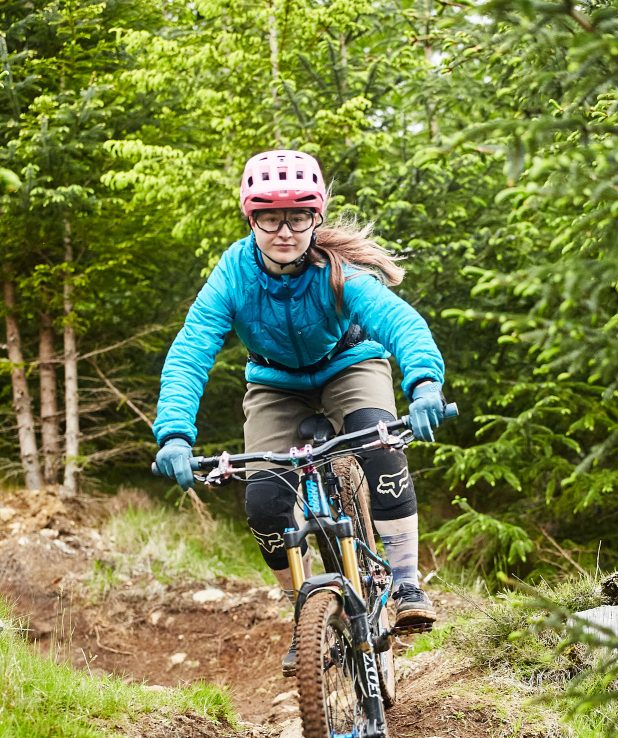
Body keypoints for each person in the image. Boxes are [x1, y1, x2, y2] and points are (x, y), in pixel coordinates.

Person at [153, 149, 448, 676]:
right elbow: (192, 349)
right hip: (275, 384)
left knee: (379, 444)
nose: (284, 230)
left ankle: (405, 582)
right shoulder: (233, 274)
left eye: (297, 216)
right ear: (251, 218)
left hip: (348, 366)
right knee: (264, 501)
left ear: (316, 216)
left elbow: (399, 322)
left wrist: (424, 384)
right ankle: (303, 613)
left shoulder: (338, 270)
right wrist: (174, 433)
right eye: (269, 216)